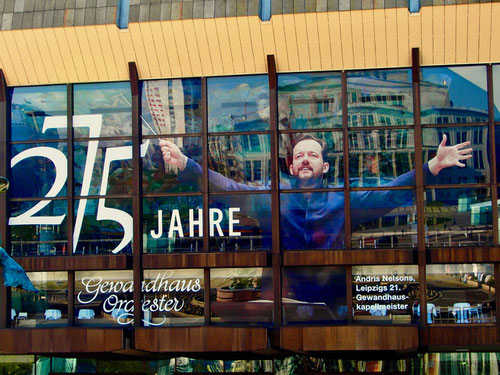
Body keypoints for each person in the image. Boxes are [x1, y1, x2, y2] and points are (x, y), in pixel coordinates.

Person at [159, 134, 472, 250]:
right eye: (298, 156)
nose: (304, 159)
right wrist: (187, 164)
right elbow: (229, 189)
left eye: (312, 155)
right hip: (281, 300)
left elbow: (388, 194)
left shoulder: (342, 200)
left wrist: (431, 166)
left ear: (324, 168)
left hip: (335, 301)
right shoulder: (273, 198)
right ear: (293, 169)